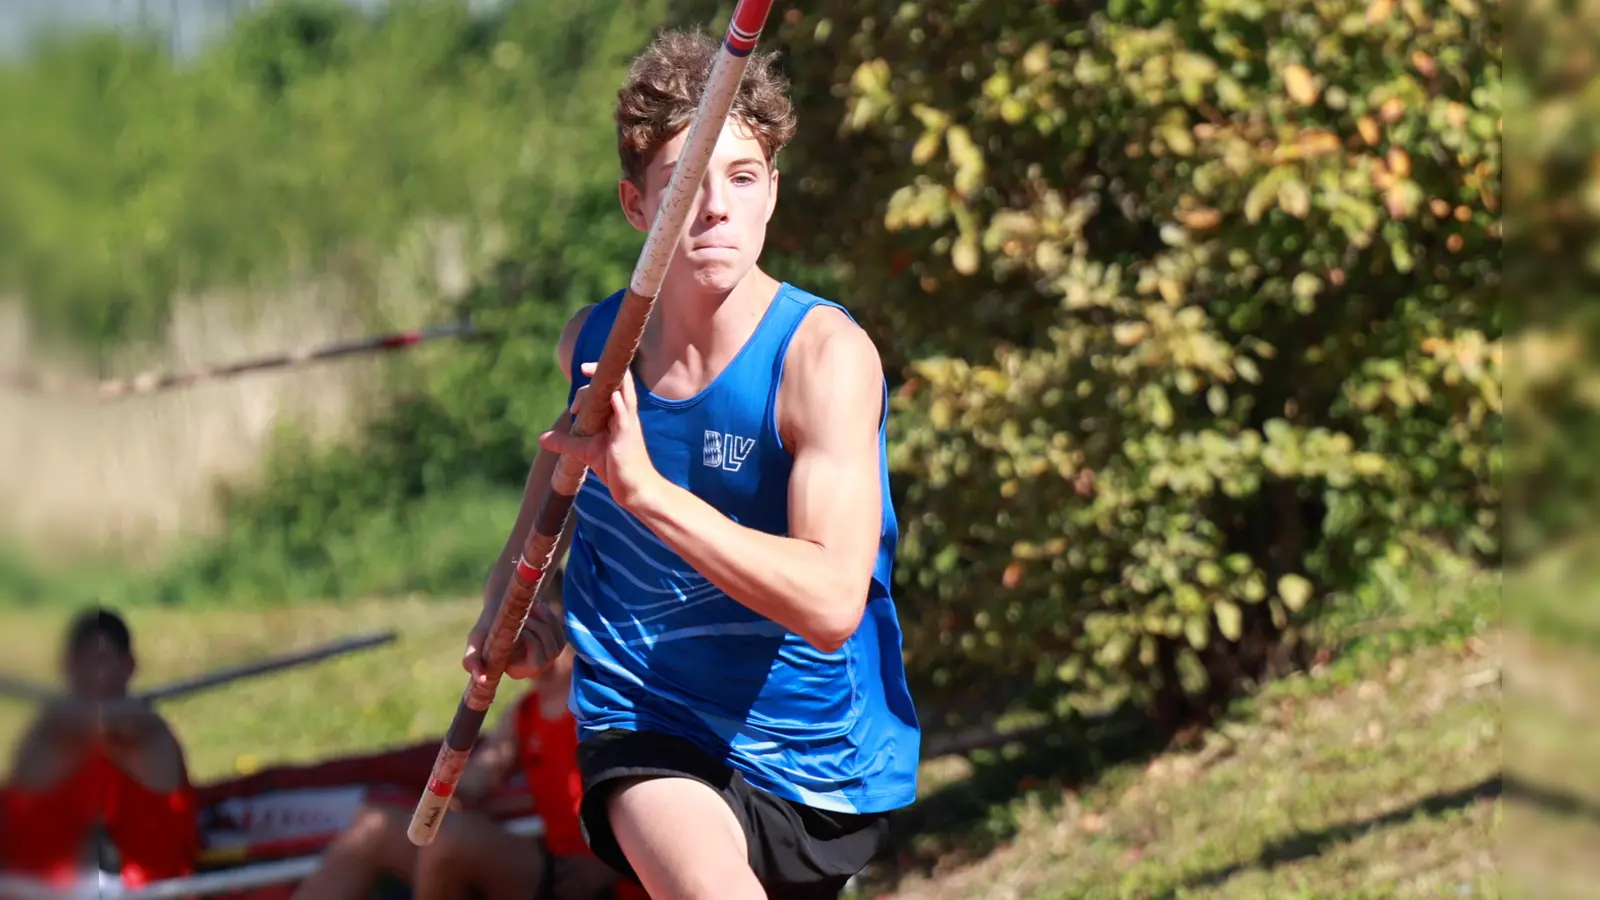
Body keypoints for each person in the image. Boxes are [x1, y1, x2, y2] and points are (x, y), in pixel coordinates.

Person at [462, 26, 921, 900]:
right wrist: (516, 599)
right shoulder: (597, 350)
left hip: (817, 762)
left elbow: (829, 604)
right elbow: (561, 466)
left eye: (741, 179)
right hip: (648, 723)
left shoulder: (822, 361)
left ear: (772, 194)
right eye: (683, 186)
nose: (716, 208)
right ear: (637, 207)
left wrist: (649, 496)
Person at [294, 586, 647, 900]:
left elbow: (655, 780)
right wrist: (458, 801)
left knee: (453, 841)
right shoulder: (523, 714)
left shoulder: (604, 691)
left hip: (610, 876)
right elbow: (476, 781)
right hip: (551, 869)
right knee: (374, 828)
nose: (502, 634)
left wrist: (608, 868)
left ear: (555, 613)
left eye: (513, 618)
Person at [0, 607, 199, 889]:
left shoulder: (146, 730)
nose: (90, 674)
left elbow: (117, 722)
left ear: (128, 665)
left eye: (101, 660)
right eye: (79, 663)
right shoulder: (49, 733)